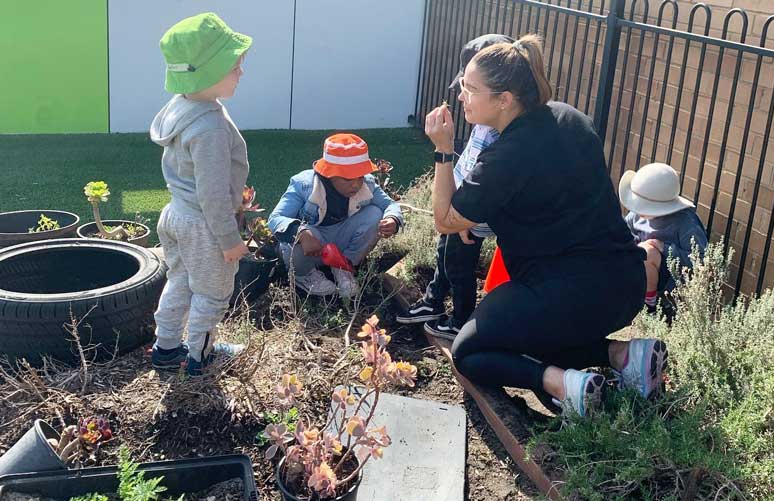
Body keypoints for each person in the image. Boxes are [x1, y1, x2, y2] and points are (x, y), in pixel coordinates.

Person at [424, 34, 668, 416]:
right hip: (625, 284)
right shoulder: (569, 117)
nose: (460, 95)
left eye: (470, 89)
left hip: (567, 296)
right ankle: (624, 355)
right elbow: (545, 196)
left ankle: (567, 385)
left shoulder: (507, 155)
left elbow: (445, 220)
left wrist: (442, 148)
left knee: (469, 351)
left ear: (504, 100)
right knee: (527, 330)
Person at [149, 12, 251, 376]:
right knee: (212, 293)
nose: (241, 71)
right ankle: (201, 357)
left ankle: (166, 348)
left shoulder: (182, 107)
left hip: (176, 215)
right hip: (203, 225)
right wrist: (228, 239)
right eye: (235, 64)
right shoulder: (209, 127)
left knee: (180, 282)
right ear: (210, 71)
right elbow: (210, 194)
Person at [397, 34, 512, 341]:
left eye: (469, 89)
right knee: (443, 255)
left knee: (460, 268)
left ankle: (461, 318)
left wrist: (468, 217)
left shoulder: (503, 135)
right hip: (459, 206)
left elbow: (490, 183)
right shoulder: (484, 122)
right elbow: (471, 165)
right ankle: (434, 301)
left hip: (470, 217)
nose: (461, 97)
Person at [267, 133, 403, 298]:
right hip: (312, 244)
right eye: (347, 179)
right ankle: (303, 275)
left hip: (342, 240)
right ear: (329, 173)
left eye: (360, 177)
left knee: (375, 214)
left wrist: (392, 219)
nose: (355, 184)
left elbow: (389, 205)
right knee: (294, 245)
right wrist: (301, 233)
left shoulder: (367, 184)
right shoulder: (304, 185)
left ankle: (343, 266)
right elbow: (275, 219)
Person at [619, 162, 708, 311]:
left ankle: (649, 307)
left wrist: (664, 248)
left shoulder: (685, 222)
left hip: (670, 282)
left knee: (647, 252)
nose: (636, 209)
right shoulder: (636, 215)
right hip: (637, 271)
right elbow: (623, 234)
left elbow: (701, 261)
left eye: (643, 205)